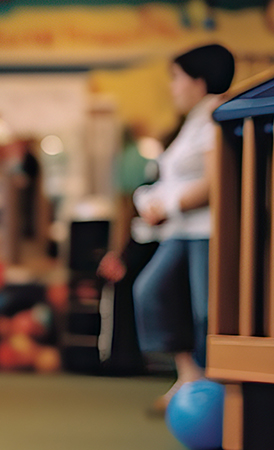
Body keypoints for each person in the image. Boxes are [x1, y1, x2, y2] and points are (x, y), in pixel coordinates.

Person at [98, 43, 235, 414]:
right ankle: (190, 377)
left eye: (176, 78)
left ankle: (215, 386)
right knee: (151, 291)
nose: (172, 88)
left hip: (206, 230)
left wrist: (167, 205)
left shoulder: (213, 116)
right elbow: (176, 179)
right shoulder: (191, 122)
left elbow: (213, 183)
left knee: (207, 312)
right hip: (180, 230)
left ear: (199, 80)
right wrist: (153, 201)